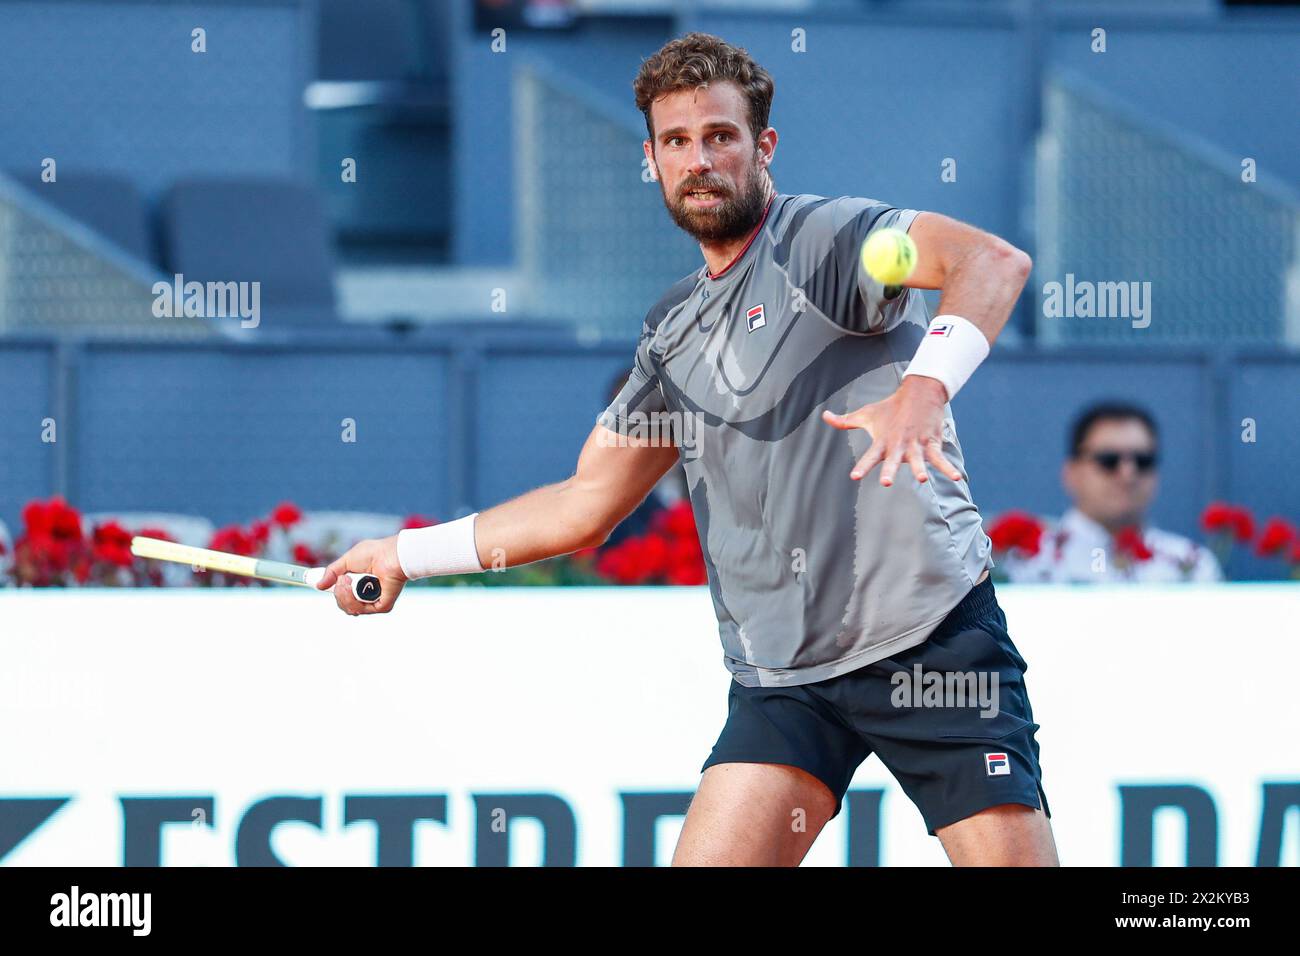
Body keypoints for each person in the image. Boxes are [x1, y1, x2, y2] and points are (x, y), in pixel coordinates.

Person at [317, 32, 1057, 866]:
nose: (699, 160)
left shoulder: (828, 239)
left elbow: (992, 262)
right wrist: (406, 556)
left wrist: (924, 390)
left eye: (720, 136)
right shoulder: (671, 334)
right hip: (783, 683)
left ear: (762, 147)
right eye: (677, 142)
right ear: (653, 160)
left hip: (929, 642)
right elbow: (582, 505)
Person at [1003, 402, 1222, 583]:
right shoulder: (1026, 560)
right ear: (1071, 472)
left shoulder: (1191, 564)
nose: (1128, 474)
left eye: (1142, 461)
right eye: (1109, 460)